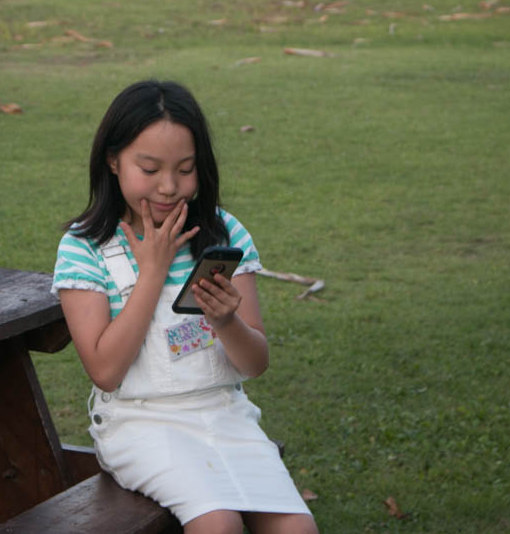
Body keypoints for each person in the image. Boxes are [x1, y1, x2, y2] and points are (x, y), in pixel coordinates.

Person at [52, 80, 318, 534]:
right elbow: (105, 371)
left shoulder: (224, 233)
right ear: (113, 160)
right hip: (140, 424)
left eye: (186, 169)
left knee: (296, 529)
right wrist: (152, 271)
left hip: (224, 416)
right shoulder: (86, 248)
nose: (170, 187)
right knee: (218, 524)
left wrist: (227, 321)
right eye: (149, 168)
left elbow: (255, 364)